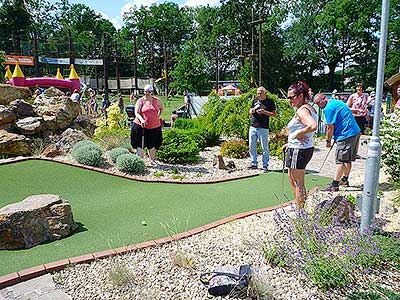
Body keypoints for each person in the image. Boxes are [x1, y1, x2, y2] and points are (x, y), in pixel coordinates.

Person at [313, 93, 361, 192]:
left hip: (345, 134)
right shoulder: (336, 102)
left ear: (325, 98)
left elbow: (330, 128)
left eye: (319, 103)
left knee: (341, 161)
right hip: (354, 132)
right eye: (316, 104)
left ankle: (335, 185)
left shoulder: (328, 108)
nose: (318, 105)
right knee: (348, 159)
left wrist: (328, 141)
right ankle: (345, 180)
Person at [283, 81, 317, 209]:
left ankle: (300, 211)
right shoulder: (308, 107)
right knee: (293, 179)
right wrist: (290, 142)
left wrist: (298, 133)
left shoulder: (302, 111)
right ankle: (299, 207)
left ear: (301, 96)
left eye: (292, 97)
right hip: (300, 148)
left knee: (298, 182)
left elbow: (313, 125)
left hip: (299, 149)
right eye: (288, 97)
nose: (289, 100)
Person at [131, 84, 163, 164]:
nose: (146, 93)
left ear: (152, 92)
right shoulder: (140, 101)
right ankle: (140, 162)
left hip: (154, 127)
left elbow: (161, 108)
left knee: (152, 144)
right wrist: (142, 120)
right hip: (141, 126)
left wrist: (158, 116)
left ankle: (152, 160)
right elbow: (136, 112)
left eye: (149, 92)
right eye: (145, 91)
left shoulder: (157, 100)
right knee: (140, 145)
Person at [248, 86, 277, 172]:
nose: (258, 94)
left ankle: (265, 165)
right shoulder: (255, 100)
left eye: (260, 93)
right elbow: (250, 110)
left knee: (264, 147)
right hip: (253, 126)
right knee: (251, 146)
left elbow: (274, 114)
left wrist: (264, 112)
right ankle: (254, 163)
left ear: (265, 93)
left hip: (263, 127)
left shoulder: (270, 102)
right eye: (257, 93)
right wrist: (251, 111)